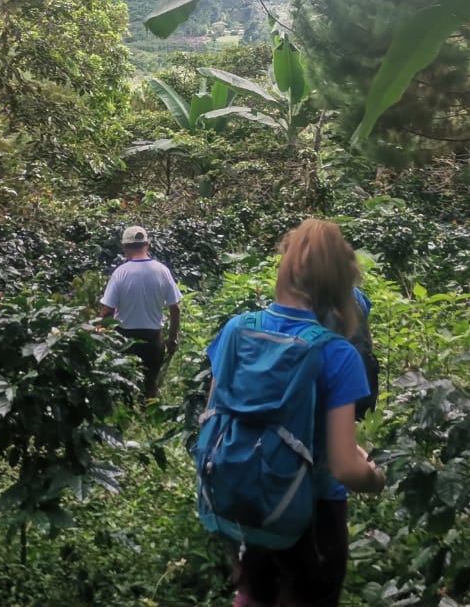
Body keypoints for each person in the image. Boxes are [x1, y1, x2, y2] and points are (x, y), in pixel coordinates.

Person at [206, 218, 386, 607]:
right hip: (312, 514)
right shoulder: (338, 354)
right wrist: (374, 476)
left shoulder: (236, 330)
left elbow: (213, 420)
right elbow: (342, 467)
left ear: (284, 268)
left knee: (254, 592)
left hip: (247, 500)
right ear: (342, 281)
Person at [99, 225, 182, 400]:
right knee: (150, 386)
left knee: (125, 385)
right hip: (153, 338)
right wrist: (172, 338)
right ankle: (148, 420)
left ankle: (127, 418)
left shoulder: (120, 273)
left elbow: (107, 311)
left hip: (125, 339)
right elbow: (175, 308)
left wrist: (100, 333)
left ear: (125, 247)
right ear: (148, 244)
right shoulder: (163, 271)